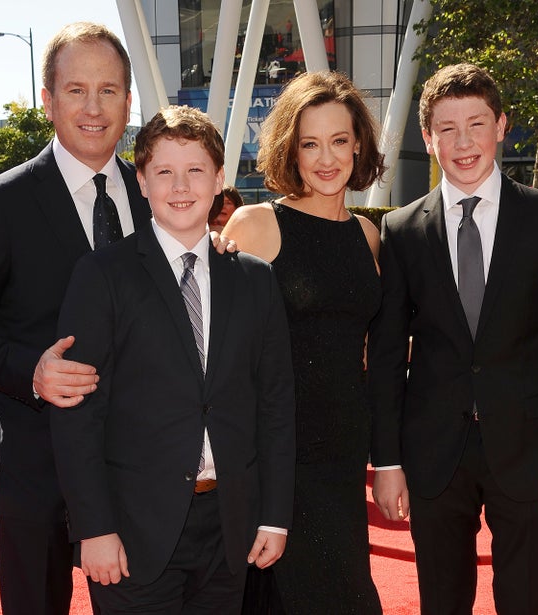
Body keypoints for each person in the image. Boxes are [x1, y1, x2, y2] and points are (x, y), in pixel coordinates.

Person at [0, 22, 150, 615]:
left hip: (137, 461)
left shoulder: (151, 196)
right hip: (37, 459)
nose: (93, 107)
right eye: (76, 90)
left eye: (109, 90)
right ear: (48, 101)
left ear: (129, 102)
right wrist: (33, 372)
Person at [368, 63, 538, 614]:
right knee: (441, 603)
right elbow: (385, 358)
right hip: (432, 456)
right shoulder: (400, 230)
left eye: (476, 123)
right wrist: (388, 461)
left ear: (501, 125)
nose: (463, 142)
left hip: (530, 453)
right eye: (446, 128)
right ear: (427, 139)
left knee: (527, 600)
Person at [50, 105, 296, 614]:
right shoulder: (102, 275)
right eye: (164, 172)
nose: (180, 186)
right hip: (132, 532)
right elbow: (78, 414)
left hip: (229, 527)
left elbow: (274, 406)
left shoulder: (253, 279)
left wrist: (274, 516)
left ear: (219, 180)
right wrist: (94, 528)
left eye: (195, 171)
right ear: (140, 181)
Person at [220, 70, 386, 614]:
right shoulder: (256, 224)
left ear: (358, 143)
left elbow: (362, 343)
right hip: (280, 455)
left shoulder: (367, 235)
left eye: (339, 141)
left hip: (343, 452)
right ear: (290, 149)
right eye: (309, 143)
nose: (326, 158)